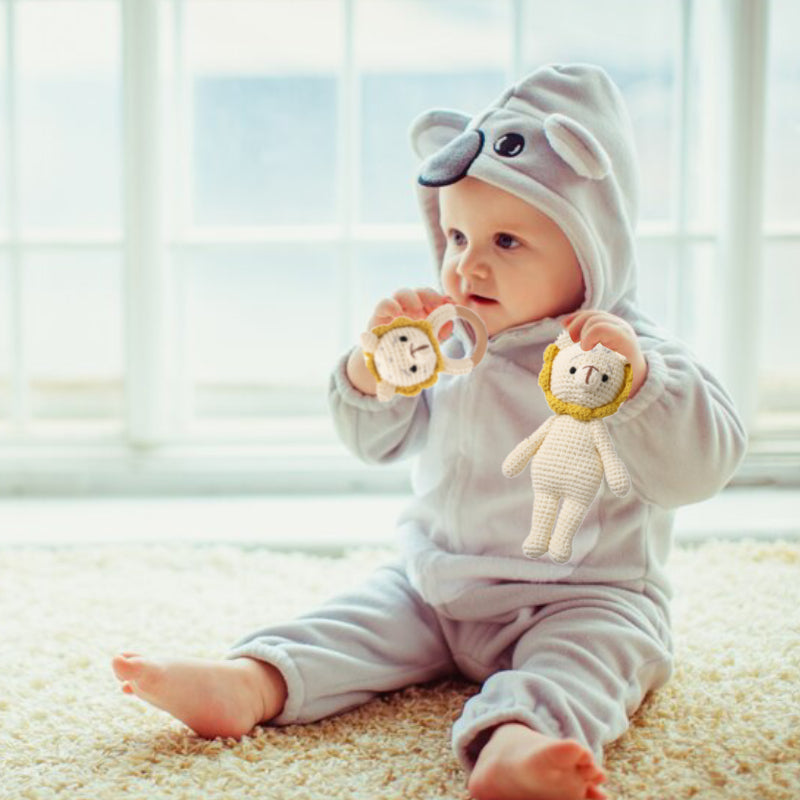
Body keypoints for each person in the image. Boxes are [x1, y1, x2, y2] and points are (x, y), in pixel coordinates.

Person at [112, 64, 747, 800]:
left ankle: (519, 741)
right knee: (354, 620)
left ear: (591, 247)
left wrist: (637, 389)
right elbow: (375, 442)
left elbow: (701, 468)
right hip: (439, 585)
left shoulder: (627, 357)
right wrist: (372, 373)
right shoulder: (449, 341)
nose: (466, 264)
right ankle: (250, 682)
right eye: (455, 235)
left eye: (506, 241)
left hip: (583, 596)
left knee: (591, 661)